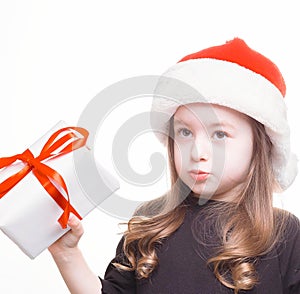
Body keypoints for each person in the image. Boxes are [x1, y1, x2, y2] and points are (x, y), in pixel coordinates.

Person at [48, 38, 300, 293]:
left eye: (220, 135)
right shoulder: (151, 219)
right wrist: (67, 254)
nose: (197, 152)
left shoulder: (285, 234)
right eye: (185, 132)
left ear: (261, 144)